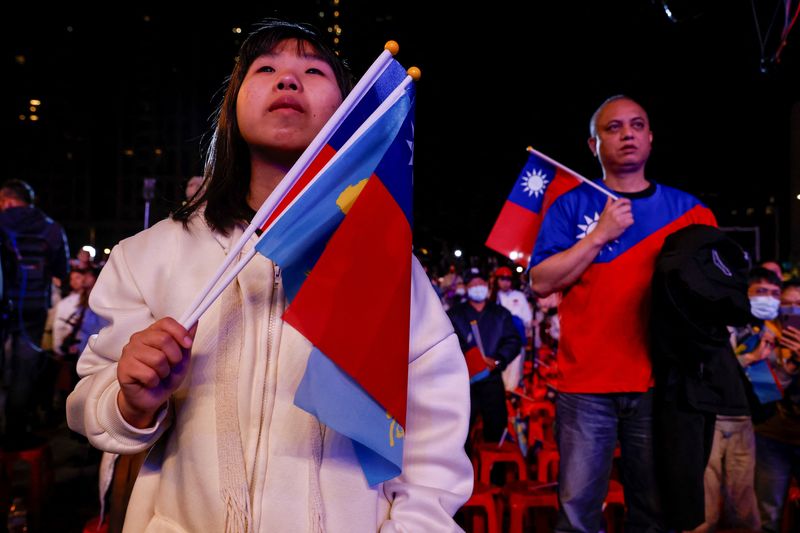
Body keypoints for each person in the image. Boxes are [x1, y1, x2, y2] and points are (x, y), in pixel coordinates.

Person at [66, 19, 472, 532]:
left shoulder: (386, 265)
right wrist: (131, 401)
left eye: (313, 70)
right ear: (232, 106)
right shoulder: (146, 255)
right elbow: (89, 405)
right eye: (266, 68)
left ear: (347, 111)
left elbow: (435, 439)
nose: (288, 80)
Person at [529, 94, 717, 531]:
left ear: (651, 138)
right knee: (577, 516)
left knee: (653, 515)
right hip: (584, 387)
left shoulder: (691, 212)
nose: (627, 134)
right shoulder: (570, 207)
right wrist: (599, 236)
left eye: (636, 125)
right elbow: (541, 281)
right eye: (613, 127)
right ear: (593, 145)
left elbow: (717, 294)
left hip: (658, 385)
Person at [0, 178, 70, 442]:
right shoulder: (51, 228)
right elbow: (62, 271)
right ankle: (16, 431)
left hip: (2, 303)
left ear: (6, 200)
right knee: (24, 369)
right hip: (33, 307)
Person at [448, 267, 521, 450]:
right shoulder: (455, 314)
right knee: (461, 431)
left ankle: (494, 474)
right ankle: (463, 473)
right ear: (466, 287)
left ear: (487, 286)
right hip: (464, 382)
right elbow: (448, 341)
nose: (477, 287)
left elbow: (513, 341)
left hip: (492, 379)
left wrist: (497, 360)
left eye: (481, 283)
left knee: (496, 428)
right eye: (473, 284)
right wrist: (471, 359)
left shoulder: (501, 313)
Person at [754, 279, 800, 530]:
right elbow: (763, 390)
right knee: (768, 515)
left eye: (799, 305)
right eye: (787, 305)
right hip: (773, 437)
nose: (793, 311)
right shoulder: (764, 337)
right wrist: (789, 366)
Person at [493, 265, 532, 390]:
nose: (505, 282)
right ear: (496, 281)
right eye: (502, 279)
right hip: (498, 340)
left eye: (508, 279)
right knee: (501, 369)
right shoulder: (492, 298)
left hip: (517, 338)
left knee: (516, 370)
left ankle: (514, 395)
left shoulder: (519, 295)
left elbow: (527, 318)